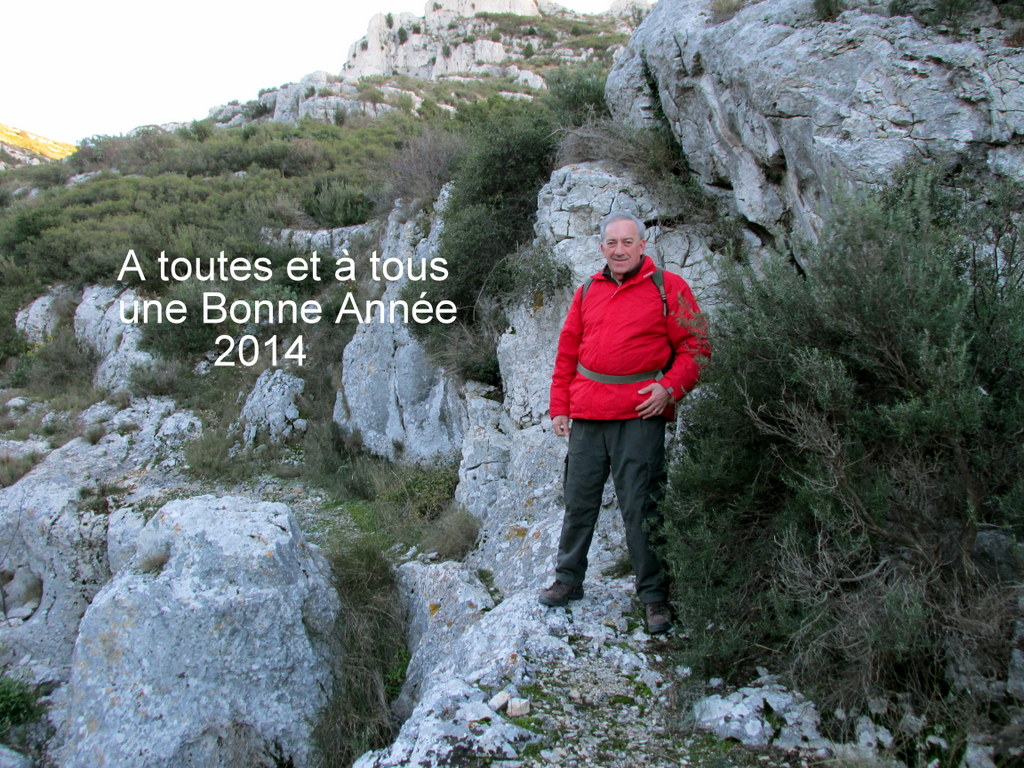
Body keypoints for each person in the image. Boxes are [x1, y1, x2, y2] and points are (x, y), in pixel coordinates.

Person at [539, 210, 709, 634]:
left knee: (642, 508)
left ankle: (654, 597)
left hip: (639, 413)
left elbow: (697, 347)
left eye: (627, 242)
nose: (619, 250)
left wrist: (669, 388)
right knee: (579, 501)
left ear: (642, 246)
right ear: (601, 248)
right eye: (611, 243)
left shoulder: (669, 289)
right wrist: (560, 406)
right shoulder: (586, 292)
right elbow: (567, 355)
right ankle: (568, 580)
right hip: (588, 414)